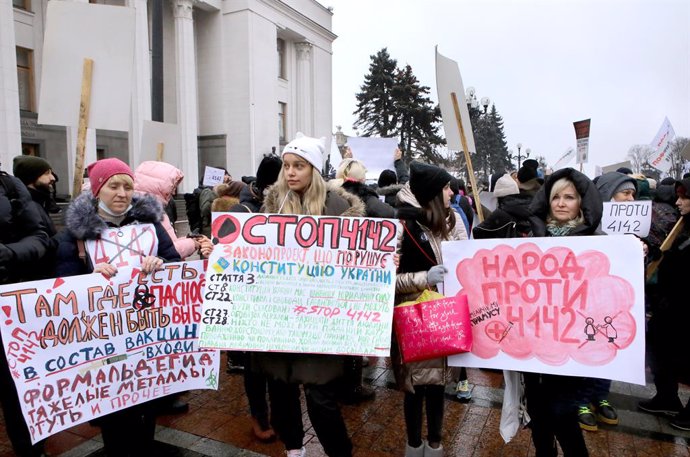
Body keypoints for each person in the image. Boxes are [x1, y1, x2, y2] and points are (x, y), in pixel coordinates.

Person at [227, 133, 364, 457]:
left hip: (320, 321)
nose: (290, 172)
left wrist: (381, 262)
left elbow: (357, 264)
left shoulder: (339, 209)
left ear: (313, 170)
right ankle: (294, 450)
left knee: (321, 400)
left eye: (299, 166)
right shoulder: (271, 208)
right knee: (282, 393)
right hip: (280, 319)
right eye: (287, 165)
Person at [56, 158, 181, 456]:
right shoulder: (74, 235)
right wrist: (90, 275)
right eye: (113, 186)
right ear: (98, 189)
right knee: (112, 403)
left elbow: (174, 261)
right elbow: (61, 282)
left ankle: (145, 445)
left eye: (127, 186)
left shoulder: (151, 225)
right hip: (103, 336)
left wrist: (161, 264)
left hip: (145, 329)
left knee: (147, 397)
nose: (122, 193)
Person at [526, 167, 603, 456]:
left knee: (563, 416)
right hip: (533, 346)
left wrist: (638, 252)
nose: (560, 203)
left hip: (572, 348)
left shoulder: (600, 241)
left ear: (582, 202)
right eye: (555, 196)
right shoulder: (528, 237)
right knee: (539, 417)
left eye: (569, 197)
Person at [394, 161, 469, 457]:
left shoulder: (454, 222)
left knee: (439, 387)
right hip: (414, 319)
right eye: (446, 187)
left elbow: (467, 263)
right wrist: (426, 278)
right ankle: (413, 445)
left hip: (446, 316)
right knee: (414, 390)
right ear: (433, 193)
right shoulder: (404, 226)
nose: (452, 192)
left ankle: (435, 444)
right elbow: (388, 278)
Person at [220, 155, 282, 442]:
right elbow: (224, 258)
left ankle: (279, 414)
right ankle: (259, 416)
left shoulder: (285, 205)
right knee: (255, 366)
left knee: (279, 364)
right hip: (250, 301)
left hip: (280, 298)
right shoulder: (242, 211)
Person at [0, 163, 49, 456]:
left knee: (15, 386)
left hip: (7, 302)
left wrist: (9, 253)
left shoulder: (9, 186)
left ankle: (31, 449)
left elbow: (39, 237)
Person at [638, 178, 690, 430]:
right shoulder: (682, 225)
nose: (678, 202)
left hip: (684, 306)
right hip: (669, 303)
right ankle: (666, 396)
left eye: (684, 197)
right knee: (660, 348)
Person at [134, 160, 208, 260]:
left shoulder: (151, 209)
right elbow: (168, 251)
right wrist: (192, 243)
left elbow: (168, 243)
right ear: (159, 186)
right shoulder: (147, 213)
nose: (173, 192)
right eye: (172, 187)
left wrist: (191, 240)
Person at [12, 155, 60, 279]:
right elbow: (39, 244)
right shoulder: (25, 207)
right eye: (46, 173)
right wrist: (67, 234)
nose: (52, 178)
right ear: (31, 177)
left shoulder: (39, 202)